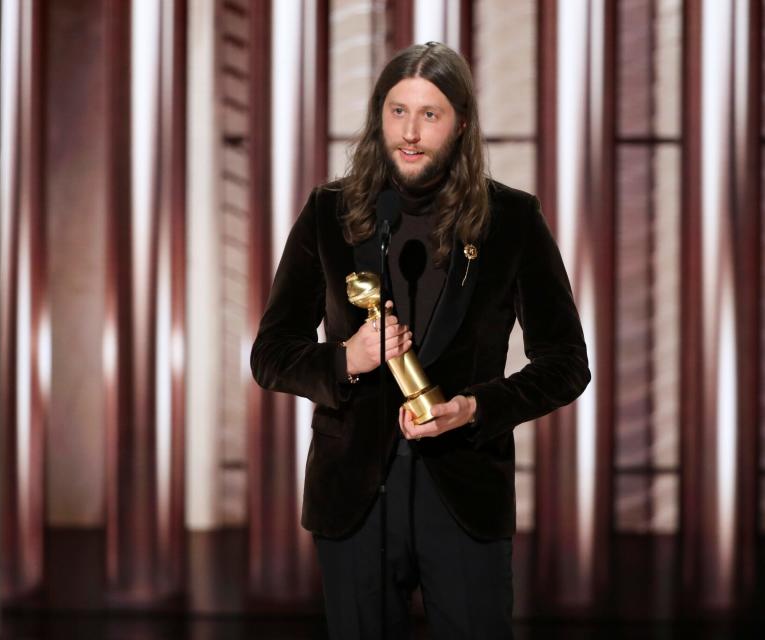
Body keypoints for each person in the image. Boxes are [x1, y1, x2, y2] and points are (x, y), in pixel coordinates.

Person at [250, 42, 590, 639]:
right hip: (353, 497)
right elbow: (271, 354)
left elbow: (567, 363)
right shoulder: (329, 213)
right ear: (378, 116)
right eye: (397, 110)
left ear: (460, 125)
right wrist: (346, 360)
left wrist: (476, 408)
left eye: (429, 114)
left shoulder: (512, 221)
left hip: (463, 495)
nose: (410, 132)